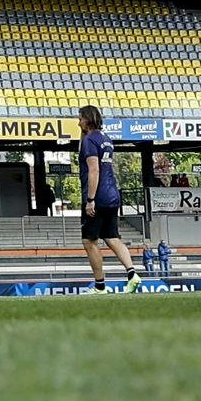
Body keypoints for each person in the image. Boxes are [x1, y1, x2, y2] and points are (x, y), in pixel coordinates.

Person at [76, 105, 125, 288]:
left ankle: (100, 285)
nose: (78, 121)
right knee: (112, 237)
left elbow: (94, 169)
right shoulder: (107, 139)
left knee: (89, 240)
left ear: (87, 120)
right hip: (112, 193)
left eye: (80, 118)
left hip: (97, 196)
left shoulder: (89, 140)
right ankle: (132, 273)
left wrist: (90, 199)